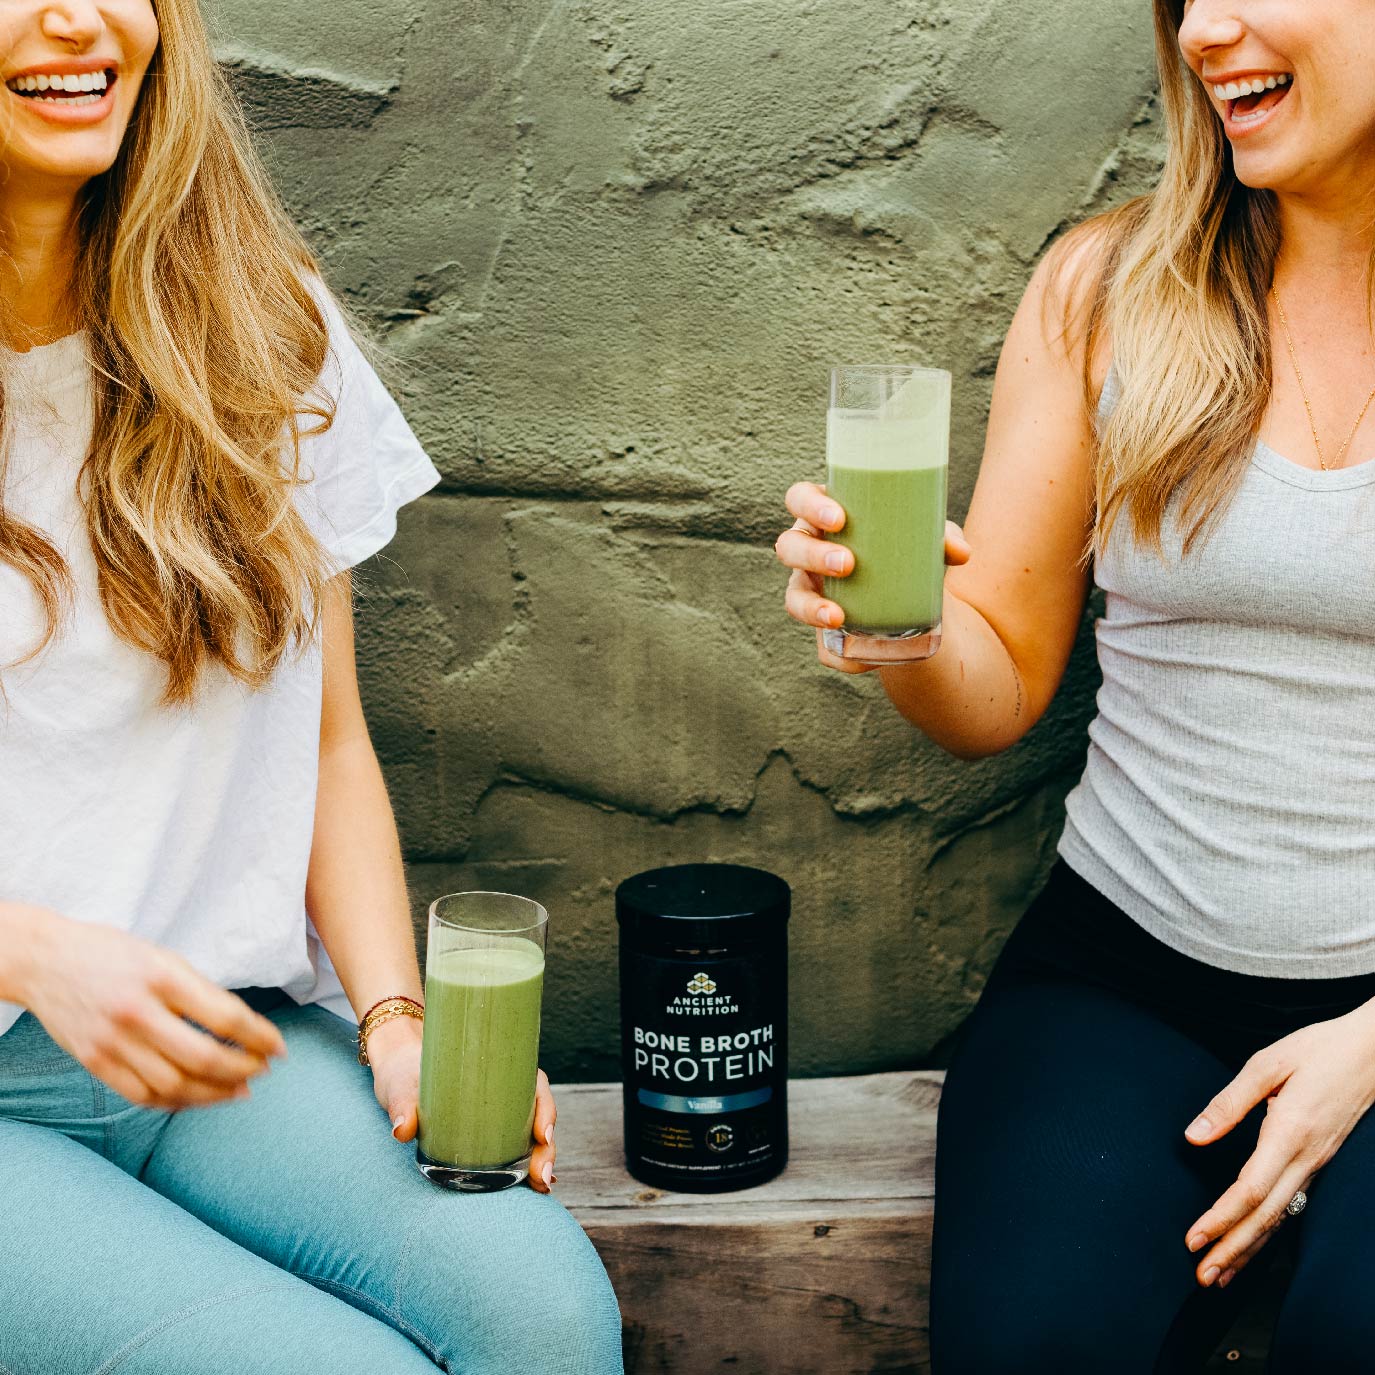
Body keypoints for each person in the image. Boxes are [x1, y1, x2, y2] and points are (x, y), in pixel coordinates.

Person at [0, 2, 623, 1372]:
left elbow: (330, 742)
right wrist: (34, 950)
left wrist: (399, 1023)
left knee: (545, 1315)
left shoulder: (255, 317)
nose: (72, 19)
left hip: (224, 1045)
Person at [777, 0, 1375, 1369]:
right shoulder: (1109, 291)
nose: (1205, 30)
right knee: (1031, 1343)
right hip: (1125, 972)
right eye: (1182, 0)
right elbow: (996, 693)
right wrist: (908, 630)